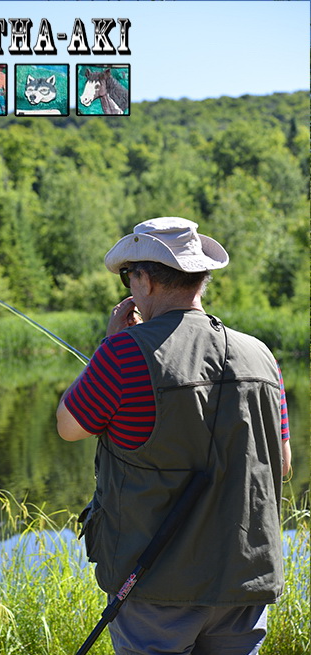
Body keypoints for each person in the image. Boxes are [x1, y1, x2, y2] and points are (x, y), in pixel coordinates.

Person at [56, 217, 291, 655]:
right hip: (243, 582)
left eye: (128, 276)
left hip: (153, 586)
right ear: (201, 277)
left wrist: (105, 350)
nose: (129, 286)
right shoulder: (262, 356)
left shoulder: (122, 355)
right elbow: (283, 461)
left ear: (143, 279)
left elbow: (69, 426)